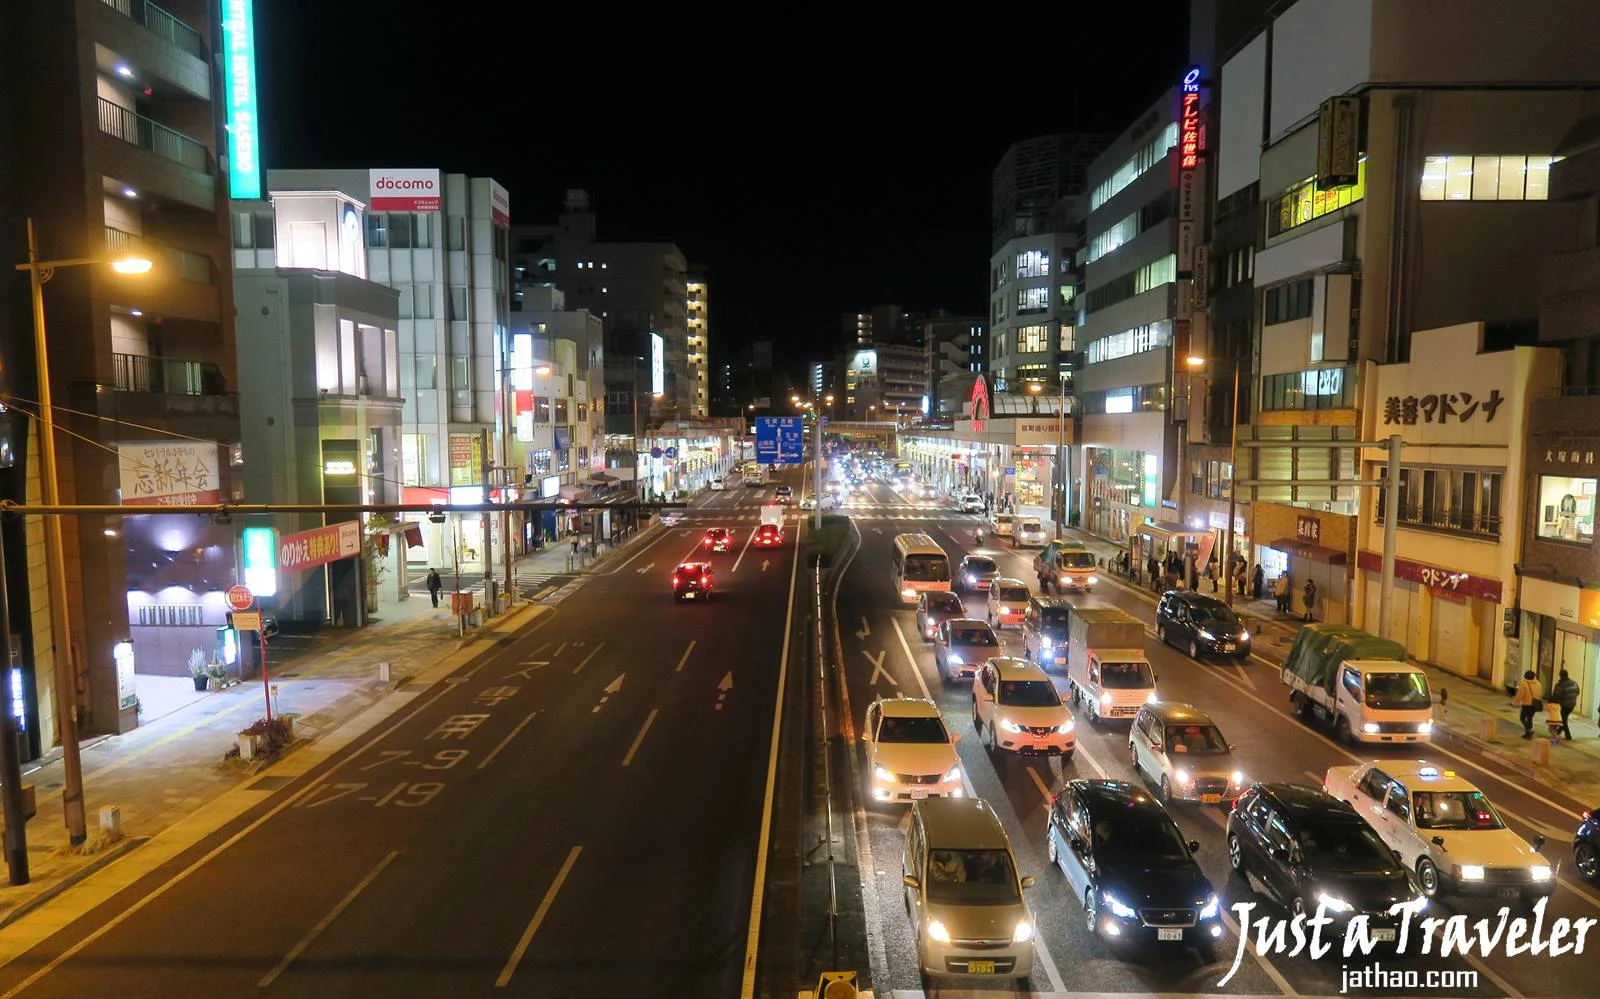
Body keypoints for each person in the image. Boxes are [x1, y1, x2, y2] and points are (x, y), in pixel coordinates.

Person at [1512, 670, 1543, 740]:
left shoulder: (1524, 684)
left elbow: (1520, 695)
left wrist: (1515, 702)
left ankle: (1529, 731)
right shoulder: (1538, 684)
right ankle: (1528, 732)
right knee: (1530, 718)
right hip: (1535, 704)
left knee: (1522, 717)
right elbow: (1541, 694)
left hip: (1527, 704)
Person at [1552, 668, 1581, 740]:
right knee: (1563, 718)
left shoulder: (1560, 685)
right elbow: (1577, 692)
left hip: (1564, 705)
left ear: (1560, 676)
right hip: (1572, 704)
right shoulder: (1574, 683)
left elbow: (1556, 696)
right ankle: (1559, 732)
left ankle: (1568, 736)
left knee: (1563, 720)